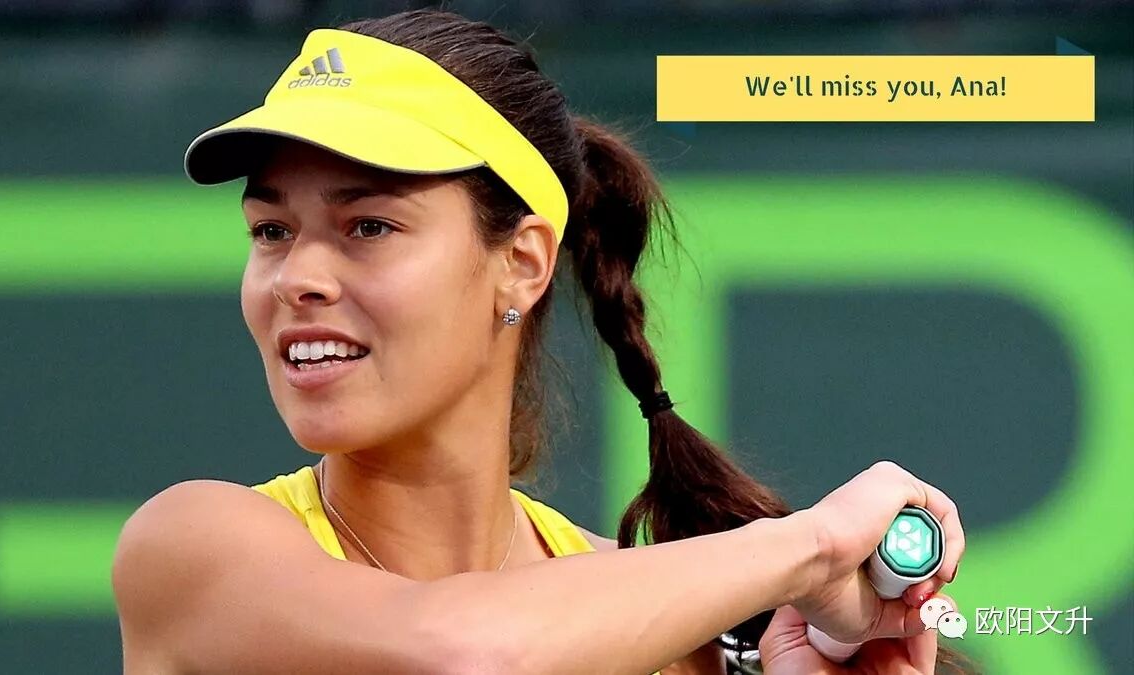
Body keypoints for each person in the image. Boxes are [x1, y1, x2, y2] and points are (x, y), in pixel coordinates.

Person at [112, 9, 967, 674]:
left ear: (521, 264)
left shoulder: (676, 634)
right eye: (271, 231)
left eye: (368, 225)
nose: (298, 276)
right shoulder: (190, 549)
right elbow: (465, 655)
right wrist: (813, 547)